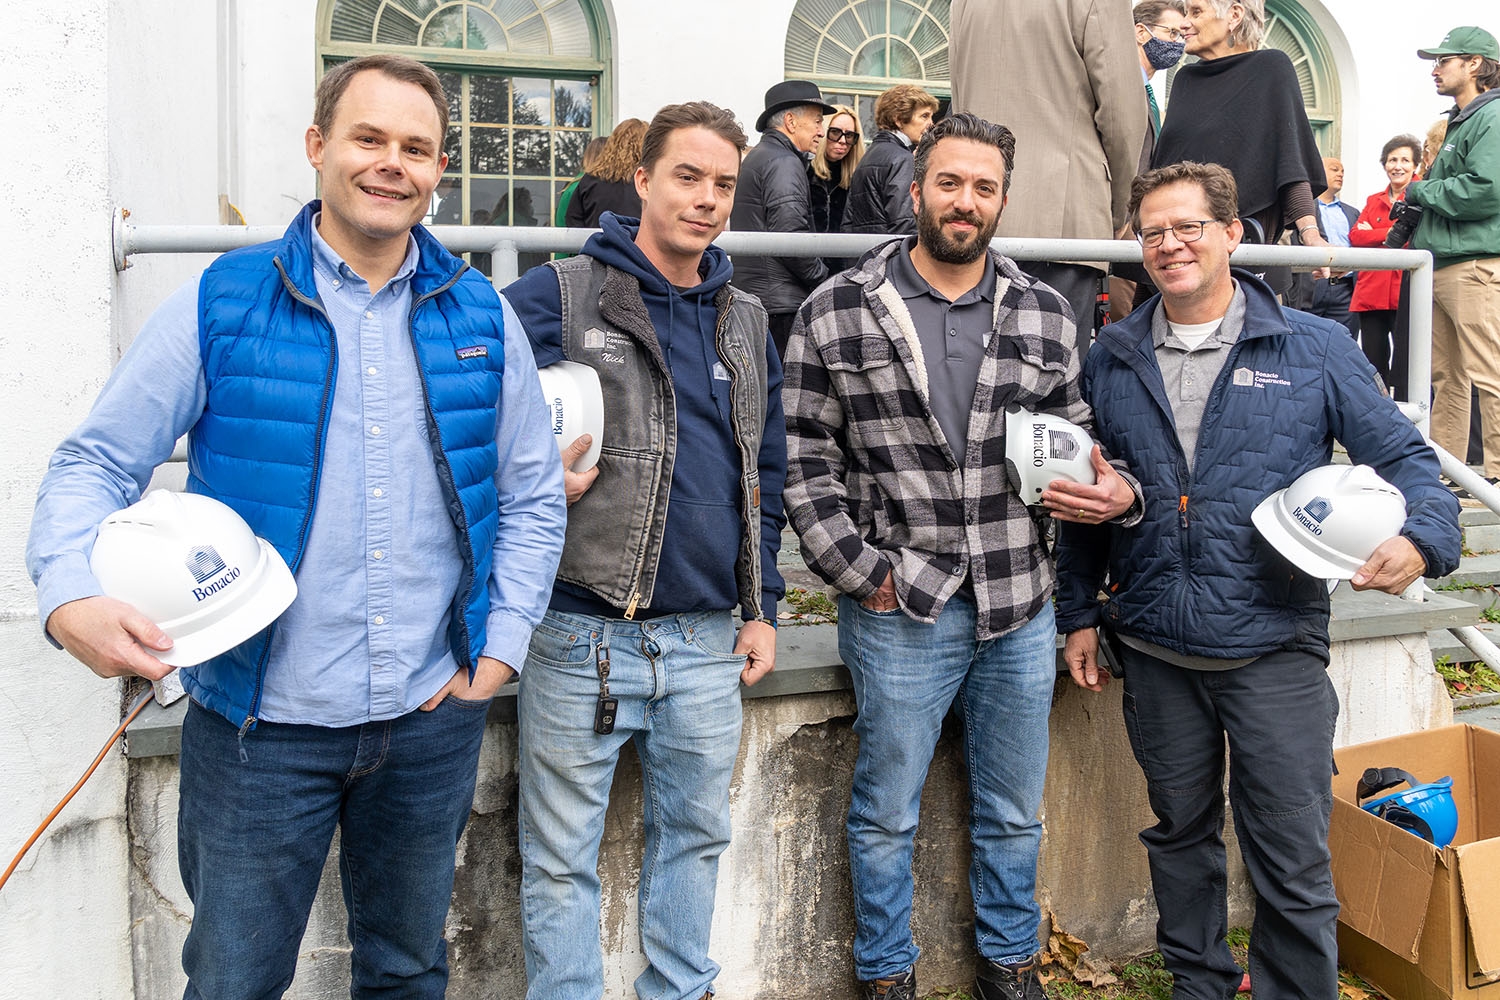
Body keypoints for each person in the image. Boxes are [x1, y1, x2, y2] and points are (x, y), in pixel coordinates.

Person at [25, 54, 568, 998]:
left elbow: (530, 493)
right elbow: (95, 462)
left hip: (429, 717)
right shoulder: (224, 300)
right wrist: (69, 593)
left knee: (407, 972)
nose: (391, 164)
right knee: (234, 980)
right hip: (258, 728)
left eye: (416, 147)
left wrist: (503, 647)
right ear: (318, 147)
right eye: (368, 139)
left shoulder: (480, 312)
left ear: (439, 170)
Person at [1056, 160, 1460, 1000]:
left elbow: (1410, 461)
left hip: (1274, 645)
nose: (1170, 245)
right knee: (1180, 838)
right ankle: (1201, 984)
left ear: (1234, 234)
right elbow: (1085, 499)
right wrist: (1076, 613)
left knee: (1293, 855)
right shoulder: (1112, 356)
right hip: (1157, 645)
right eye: (1153, 231)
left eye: (1189, 227)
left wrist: (1424, 537)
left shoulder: (1311, 348)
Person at [784, 113, 1141, 1000]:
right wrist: (860, 572)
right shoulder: (839, 307)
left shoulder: (1047, 313)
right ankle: (886, 974)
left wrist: (1105, 487)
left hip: (1019, 600)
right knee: (883, 814)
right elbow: (802, 456)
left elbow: (1075, 441)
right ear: (917, 189)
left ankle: (1011, 966)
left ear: (1003, 200)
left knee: (1013, 813)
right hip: (900, 599)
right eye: (949, 182)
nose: (965, 201)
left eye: (984, 187)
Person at [502, 100, 787, 1000]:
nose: (706, 200)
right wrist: (526, 473)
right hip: (580, 632)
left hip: (705, 642)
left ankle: (681, 988)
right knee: (558, 861)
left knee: (695, 839)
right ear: (644, 181)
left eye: (723, 185)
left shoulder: (744, 319)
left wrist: (763, 603)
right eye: (687, 177)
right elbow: (466, 421)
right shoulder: (559, 294)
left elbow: (764, 470)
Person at [951, 0, 1147, 356]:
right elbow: (1123, 117)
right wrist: (1118, 212)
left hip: (976, 215)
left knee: (974, 376)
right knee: (1054, 383)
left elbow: (961, 100)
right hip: (1064, 220)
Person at [1152, 0, 1330, 295]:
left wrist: (1310, 232)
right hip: (1175, 249)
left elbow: (1290, 160)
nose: (1184, 23)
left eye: (1195, 12)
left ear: (1234, 15)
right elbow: (1164, 170)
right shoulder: (1185, 80)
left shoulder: (1272, 67)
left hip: (1242, 250)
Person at [1403, 26, 1500, 476]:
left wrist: (1421, 191)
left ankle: (1497, 474)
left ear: (1475, 64)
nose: (1436, 69)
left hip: (1473, 267)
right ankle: (1449, 471)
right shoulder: (1464, 119)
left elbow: (1486, 190)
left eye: (1444, 60)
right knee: (1448, 379)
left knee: (1489, 374)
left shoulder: (1494, 116)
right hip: (1442, 265)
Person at [732, 79, 836, 359]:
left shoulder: (763, 156)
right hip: (780, 305)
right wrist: (823, 278)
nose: (821, 130)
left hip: (762, 298)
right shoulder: (783, 162)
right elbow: (790, 235)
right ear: (790, 121)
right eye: (816, 121)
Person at [1349, 134, 1423, 397]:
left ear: (1416, 165)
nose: (1398, 166)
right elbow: (1356, 237)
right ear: (1384, 164)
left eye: (1405, 160)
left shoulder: (1421, 196)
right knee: (1373, 365)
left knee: (1407, 367)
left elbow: (1413, 240)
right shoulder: (1373, 200)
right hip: (1372, 292)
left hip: (1406, 292)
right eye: (1392, 160)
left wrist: (1376, 231)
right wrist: (1391, 231)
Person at [841, 84, 939, 239]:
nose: (931, 124)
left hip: (865, 256)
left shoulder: (868, 156)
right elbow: (905, 224)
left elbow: (848, 223)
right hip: (891, 257)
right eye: (924, 116)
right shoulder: (902, 159)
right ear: (899, 120)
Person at [1306, 156, 1361, 336]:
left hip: (1346, 290)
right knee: (1306, 342)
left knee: (1343, 344)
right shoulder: (1304, 212)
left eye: (1343, 171)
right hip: (1312, 287)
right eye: (1334, 169)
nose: (1340, 174)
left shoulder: (1352, 213)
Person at [566, 117, 646, 229]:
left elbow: (573, 218)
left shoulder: (591, 178)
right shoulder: (646, 181)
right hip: (635, 244)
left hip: (599, 243)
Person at [809, 103, 863, 237]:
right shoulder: (803, 171)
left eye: (850, 135)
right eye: (835, 132)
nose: (843, 141)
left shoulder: (856, 179)